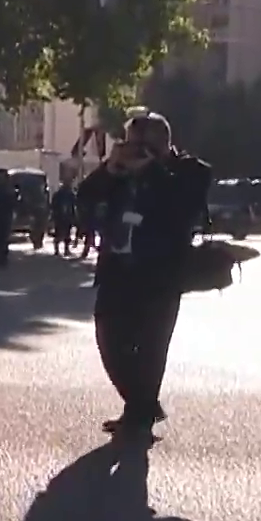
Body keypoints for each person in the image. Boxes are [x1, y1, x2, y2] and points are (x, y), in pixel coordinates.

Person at [75, 112, 210, 437]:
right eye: (130, 144)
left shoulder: (191, 171)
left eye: (141, 145)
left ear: (162, 143)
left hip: (160, 273)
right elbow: (86, 196)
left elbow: (183, 209)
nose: (134, 151)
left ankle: (138, 415)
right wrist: (110, 168)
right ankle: (143, 405)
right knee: (109, 341)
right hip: (117, 269)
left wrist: (151, 169)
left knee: (151, 348)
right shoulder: (119, 173)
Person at [50, 181, 79, 256]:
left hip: (60, 216)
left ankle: (58, 250)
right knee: (65, 234)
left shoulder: (58, 195)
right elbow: (74, 205)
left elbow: (53, 206)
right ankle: (64, 250)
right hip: (65, 216)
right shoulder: (70, 195)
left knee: (60, 233)